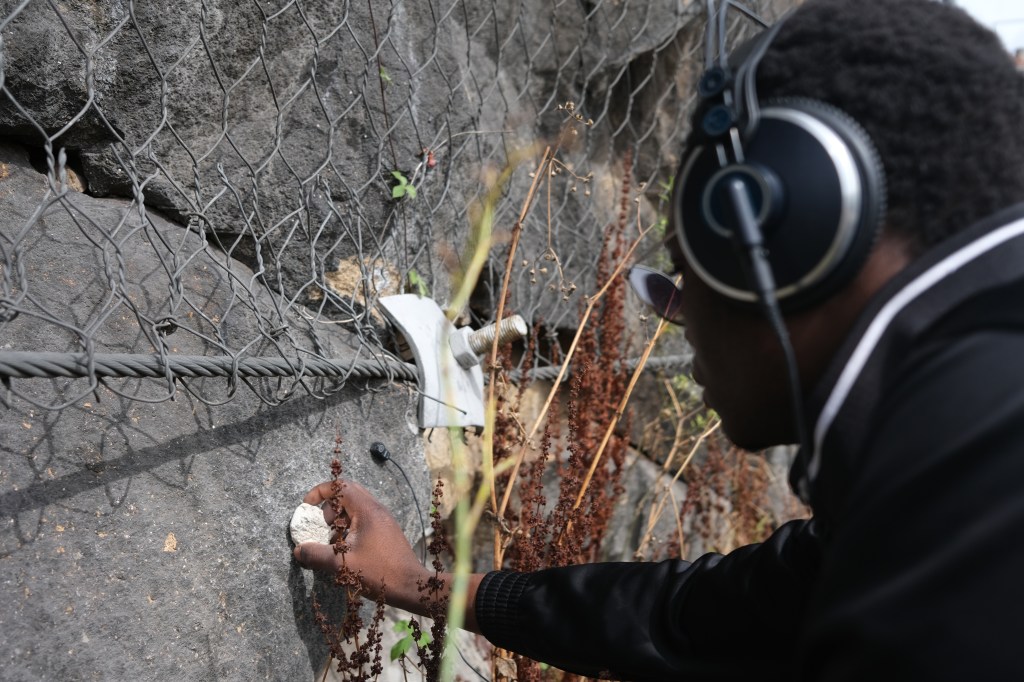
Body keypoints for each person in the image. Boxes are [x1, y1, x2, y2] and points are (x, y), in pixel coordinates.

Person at [294, 0, 1024, 679]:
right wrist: (420, 585)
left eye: (684, 267)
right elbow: (704, 619)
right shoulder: (950, 461)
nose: (672, 317)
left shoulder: (967, 499)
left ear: (784, 231)